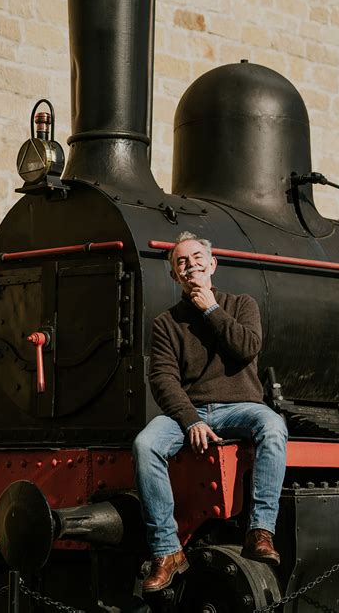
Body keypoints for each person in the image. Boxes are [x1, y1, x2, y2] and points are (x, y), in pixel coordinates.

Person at [133, 232, 288, 593]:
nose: (190, 266)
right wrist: (191, 420)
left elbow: (247, 347)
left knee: (273, 426)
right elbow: (163, 379)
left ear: (212, 265)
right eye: (182, 262)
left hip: (241, 407)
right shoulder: (166, 323)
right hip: (189, 410)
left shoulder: (241, 304)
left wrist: (211, 310)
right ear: (175, 275)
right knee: (145, 444)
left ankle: (260, 531)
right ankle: (167, 552)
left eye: (197, 258)